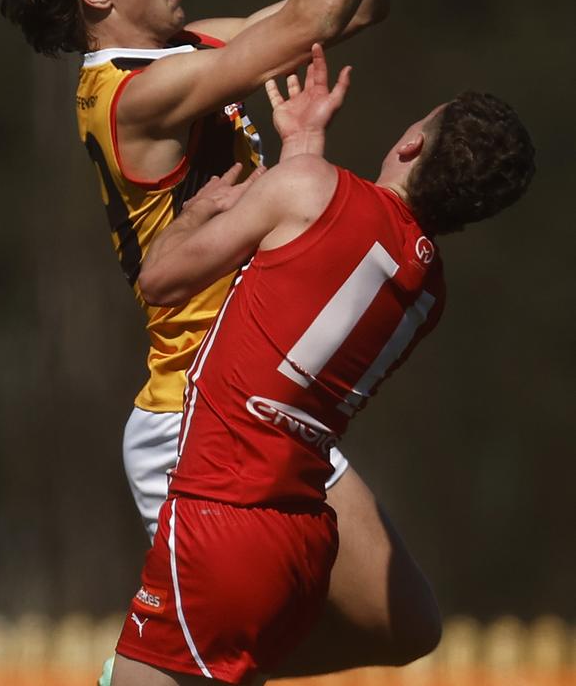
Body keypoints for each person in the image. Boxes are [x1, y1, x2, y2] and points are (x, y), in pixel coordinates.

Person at [0, 0, 466, 674]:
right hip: (192, 417)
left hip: (263, 402)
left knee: (408, 625)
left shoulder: (189, 47)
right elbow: (311, 10)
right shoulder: (133, 97)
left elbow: (353, 8)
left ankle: (200, 668)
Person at [112, 45, 535, 686]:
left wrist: (196, 213)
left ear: (414, 144)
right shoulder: (427, 294)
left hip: (220, 512)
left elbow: (162, 280)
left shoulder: (311, 188)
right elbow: (314, 272)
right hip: (305, 537)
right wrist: (302, 148)